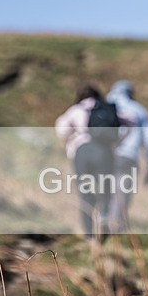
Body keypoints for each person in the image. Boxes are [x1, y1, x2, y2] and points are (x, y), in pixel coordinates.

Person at [55, 84, 120, 242]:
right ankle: (103, 217)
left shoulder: (76, 110)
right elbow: (127, 125)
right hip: (104, 152)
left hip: (81, 151)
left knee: (85, 193)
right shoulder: (107, 108)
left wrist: (71, 138)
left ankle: (90, 236)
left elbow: (61, 129)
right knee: (105, 188)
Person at [106, 80, 148, 233]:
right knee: (122, 191)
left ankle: (99, 222)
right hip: (128, 156)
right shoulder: (138, 110)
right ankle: (115, 225)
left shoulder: (104, 106)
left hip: (105, 154)